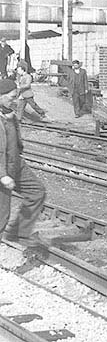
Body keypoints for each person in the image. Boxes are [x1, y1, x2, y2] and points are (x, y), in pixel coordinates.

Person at [0, 78, 47, 247]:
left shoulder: (8, 114)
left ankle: (17, 232)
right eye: (11, 97)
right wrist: (2, 175)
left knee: (36, 191)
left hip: (16, 165)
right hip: (2, 170)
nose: (14, 100)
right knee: (1, 216)